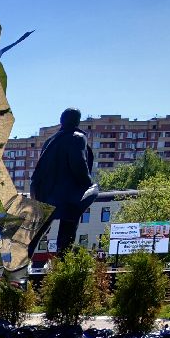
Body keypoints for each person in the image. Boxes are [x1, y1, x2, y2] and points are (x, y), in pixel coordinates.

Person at [30, 107, 98, 256]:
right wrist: (88, 184)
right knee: (67, 233)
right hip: (69, 196)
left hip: (46, 194)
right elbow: (78, 163)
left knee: (36, 233)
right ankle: (63, 265)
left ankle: (19, 264)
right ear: (77, 121)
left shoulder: (50, 140)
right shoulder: (78, 138)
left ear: (61, 120)